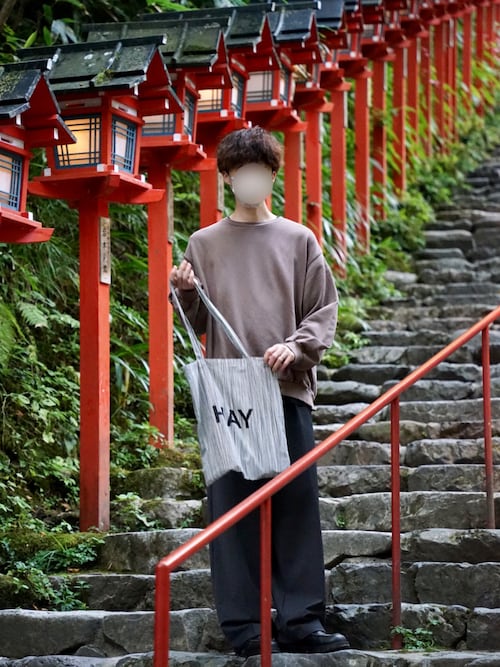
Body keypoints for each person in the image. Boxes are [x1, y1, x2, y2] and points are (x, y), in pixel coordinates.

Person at [170, 126, 350, 658]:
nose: (249, 179)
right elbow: (195, 321)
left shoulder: (299, 240)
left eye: (260, 170)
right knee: (230, 509)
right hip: (230, 395)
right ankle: (245, 626)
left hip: (286, 389)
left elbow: (323, 310)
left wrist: (296, 347)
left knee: (295, 504)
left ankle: (301, 619)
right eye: (238, 171)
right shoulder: (203, 244)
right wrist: (183, 291)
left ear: (272, 175)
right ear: (226, 177)